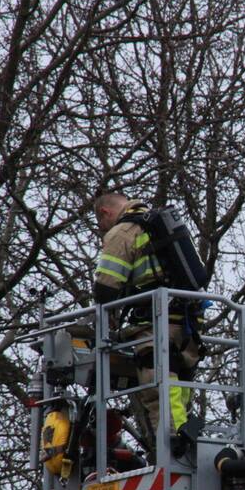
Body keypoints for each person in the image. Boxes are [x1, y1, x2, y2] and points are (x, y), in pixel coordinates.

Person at [92, 192, 202, 456]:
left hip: (155, 321)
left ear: (105, 213)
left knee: (158, 386)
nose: (102, 229)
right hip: (188, 320)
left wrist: (104, 315)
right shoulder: (160, 225)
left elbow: (106, 287)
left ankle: (174, 447)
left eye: (100, 224)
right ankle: (187, 438)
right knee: (180, 385)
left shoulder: (123, 232)